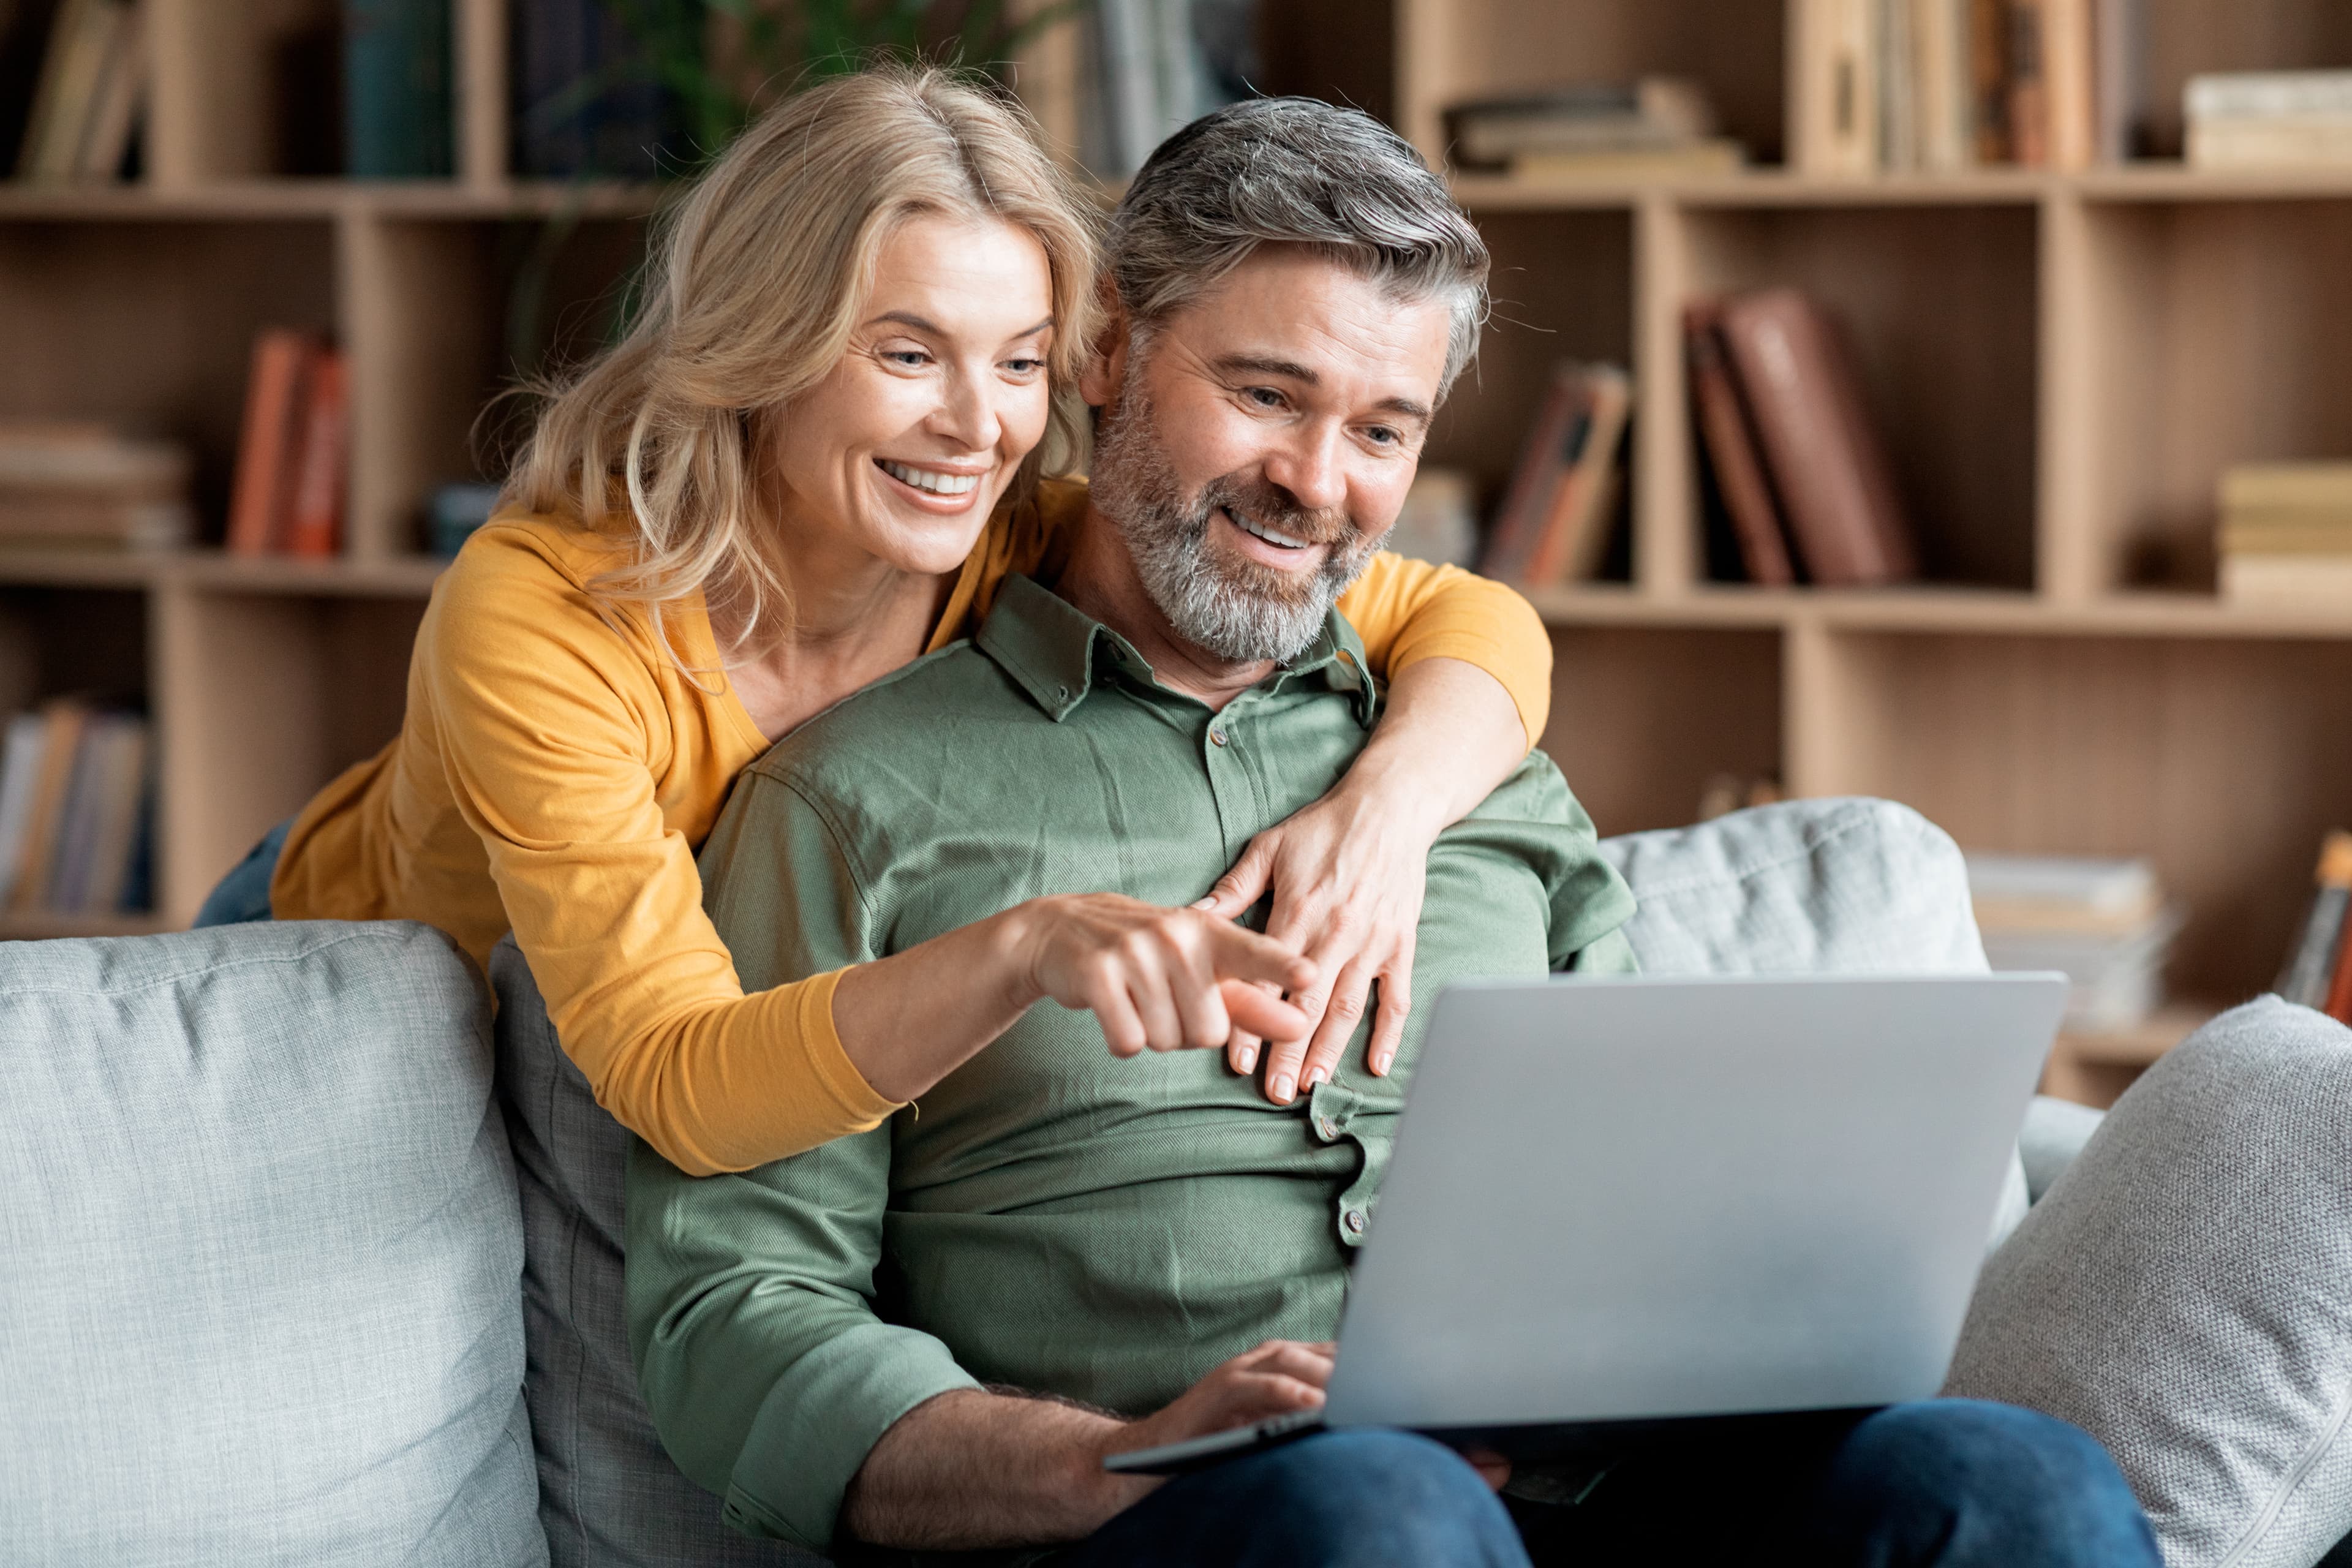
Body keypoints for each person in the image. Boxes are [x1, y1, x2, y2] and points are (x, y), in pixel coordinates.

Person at [626, 97, 2160, 1566]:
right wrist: (1111, 1454)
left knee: (2003, 1475)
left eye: (1384, 428)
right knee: (1382, 1511)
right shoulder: (844, 804)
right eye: (1267, 394)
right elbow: (736, 1313)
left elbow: (1653, 1185)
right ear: (1105, 352)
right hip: (1195, 1524)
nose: (1317, 482)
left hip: (1598, 1496)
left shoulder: (1476, 765)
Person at [209, 67, 1561, 1177]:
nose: (978, 429)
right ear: (763, 343)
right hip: (340, 975)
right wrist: (1030, 944)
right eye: (906, 351)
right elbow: (679, 1077)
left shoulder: (1010, 532)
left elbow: (1472, 618)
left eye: (1020, 360)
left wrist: (1382, 817)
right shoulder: (545, 613)